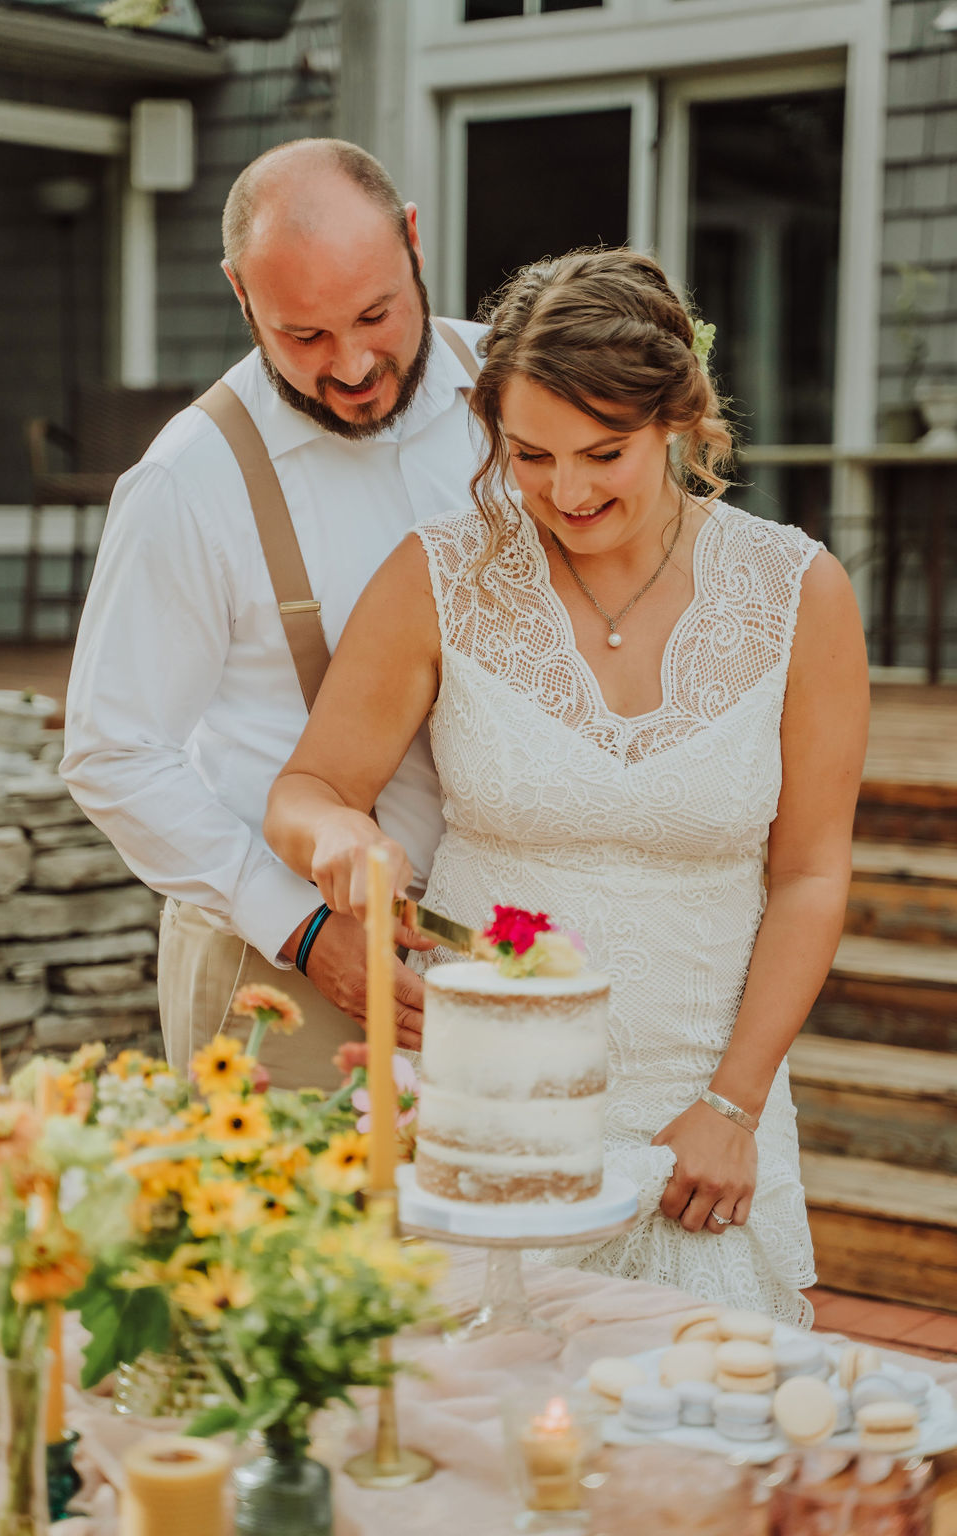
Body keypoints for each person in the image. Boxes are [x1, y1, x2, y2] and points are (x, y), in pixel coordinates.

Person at [264, 247, 869, 1323]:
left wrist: (731, 1104)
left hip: (699, 1116)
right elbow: (308, 786)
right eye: (530, 455)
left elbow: (814, 874)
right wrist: (338, 845)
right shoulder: (437, 575)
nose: (568, 492)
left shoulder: (798, 591)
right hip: (488, 1115)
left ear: (678, 418)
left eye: (604, 452)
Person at [60, 138, 484, 1089]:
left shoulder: (517, 391)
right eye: (305, 335)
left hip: (500, 947)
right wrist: (297, 925)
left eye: (377, 314)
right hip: (282, 977)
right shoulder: (189, 480)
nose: (353, 365)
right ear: (241, 295)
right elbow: (111, 751)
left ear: (414, 242)